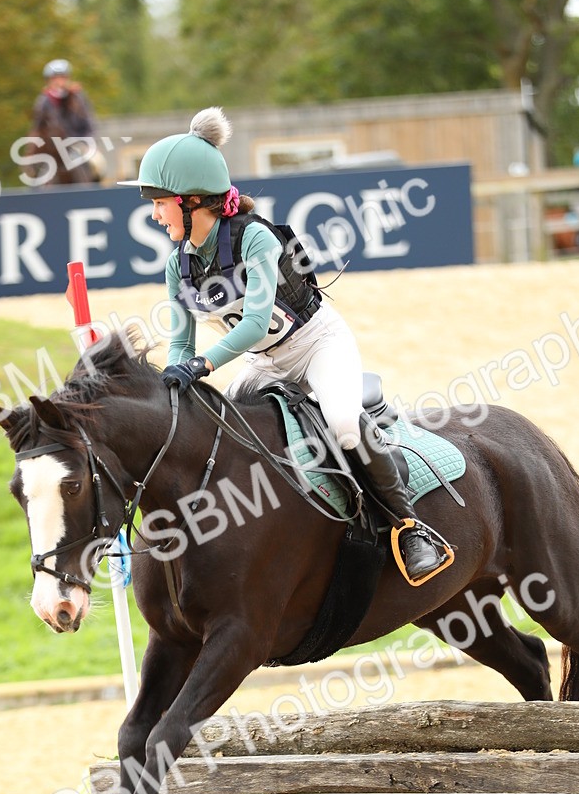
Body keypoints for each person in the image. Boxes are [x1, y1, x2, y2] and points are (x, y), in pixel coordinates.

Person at [122, 107, 449, 584]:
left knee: (343, 426)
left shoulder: (255, 238)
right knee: (226, 440)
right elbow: (181, 341)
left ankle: (409, 527)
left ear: (192, 200)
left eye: (159, 202)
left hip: (318, 344)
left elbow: (254, 323)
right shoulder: (178, 265)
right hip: (264, 363)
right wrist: (173, 385)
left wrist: (199, 366)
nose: (153, 214)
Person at [32, 59, 95, 142]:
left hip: (79, 143)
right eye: (55, 79)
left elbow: (89, 125)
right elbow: (38, 129)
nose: (59, 82)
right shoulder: (43, 101)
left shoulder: (78, 98)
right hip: (53, 146)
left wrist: (84, 142)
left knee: (96, 155)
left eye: (62, 78)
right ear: (48, 81)